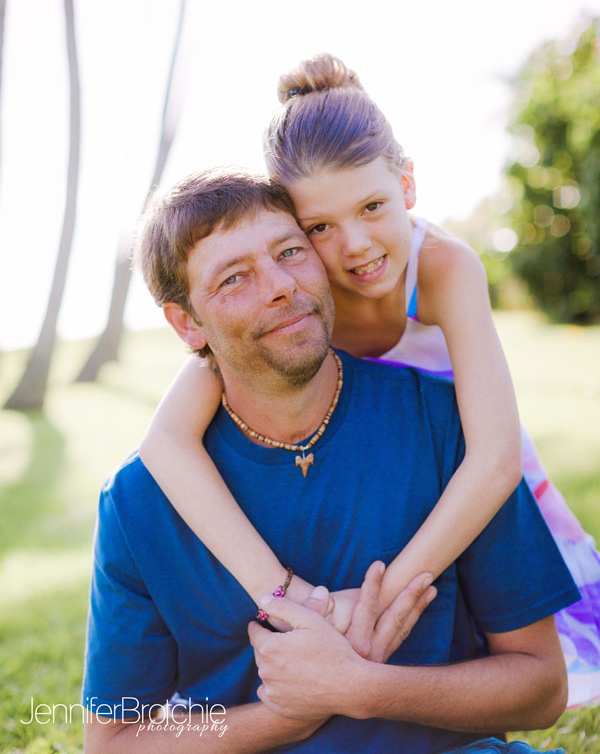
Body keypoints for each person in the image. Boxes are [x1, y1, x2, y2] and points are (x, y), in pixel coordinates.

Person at [140, 54, 600, 703]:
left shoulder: (442, 267)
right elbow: (164, 443)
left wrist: (379, 608)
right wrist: (285, 594)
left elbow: (495, 458)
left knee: (504, 611)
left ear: (407, 185)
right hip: (374, 465)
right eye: (319, 227)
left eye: (374, 206)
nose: (354, 246)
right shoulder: (298, 294)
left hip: (467, 453)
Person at [83, 169, 579, 753]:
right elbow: (115, 742)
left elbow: (541, 688)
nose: (279, 285)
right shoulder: (140, 502)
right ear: (188, 323)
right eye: (234, 278)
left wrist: (366, 690)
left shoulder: (444, 425)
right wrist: (285, 717)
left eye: (290, 251)